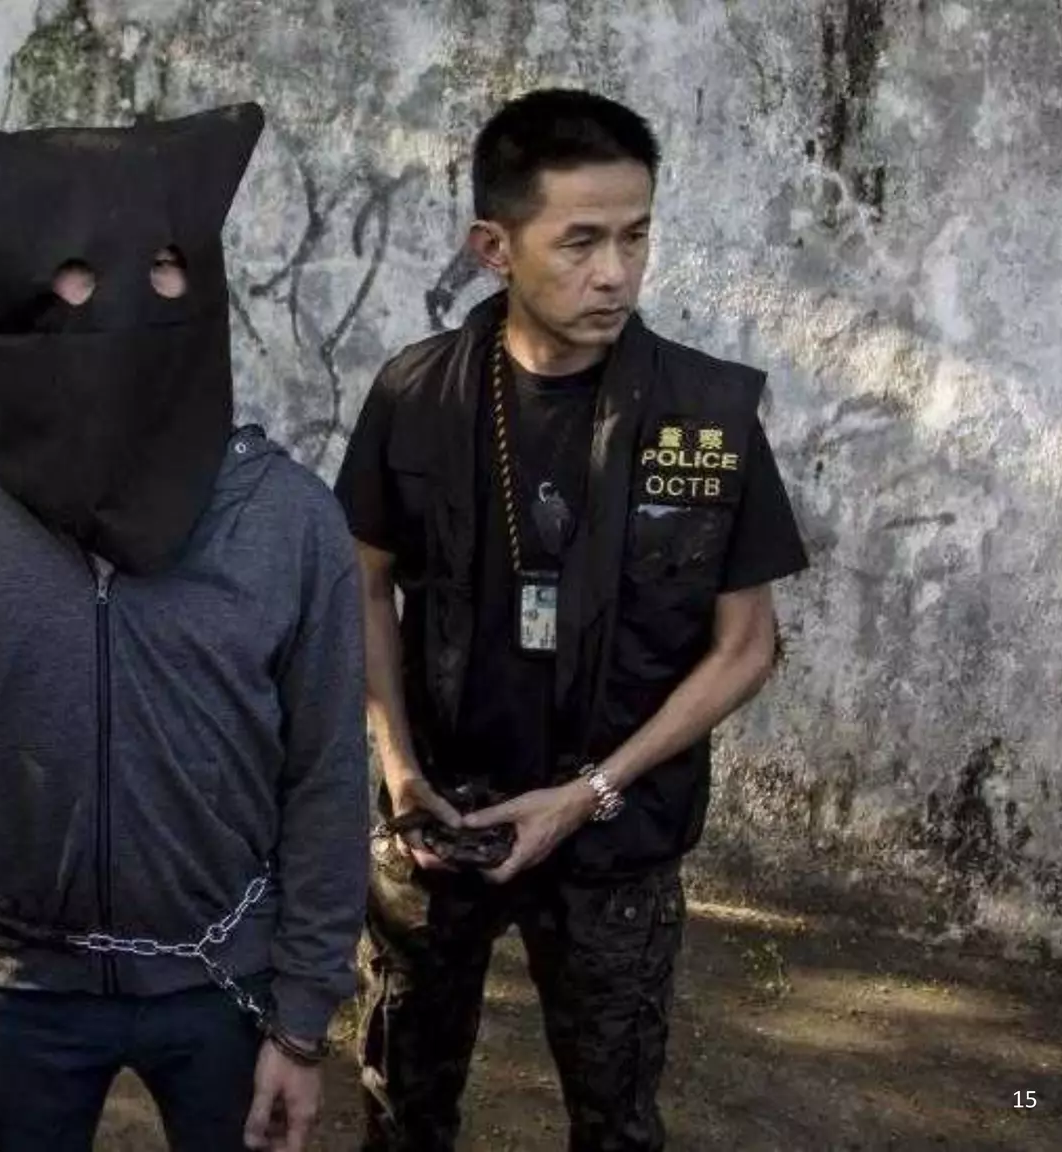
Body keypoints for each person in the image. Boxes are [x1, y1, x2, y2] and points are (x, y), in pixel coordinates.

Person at [0, 103, 369, 1152]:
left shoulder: (287, 521)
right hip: (15, 982)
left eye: (165, 261)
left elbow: (327, 775)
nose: (146, 295)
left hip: (221, 980)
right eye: (82, 265)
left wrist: (301, 1016)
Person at [336, 88, 809, 1151]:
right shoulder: (415, 395)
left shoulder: (707, 417)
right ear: (493, 246)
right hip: (436, 826)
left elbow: (746, 647)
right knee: (397, 1106)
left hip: (613, 832)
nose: (613, 273)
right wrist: (400, 771)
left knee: (614, 1117)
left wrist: (587, 791)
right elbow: (359, 583)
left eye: (634, 237)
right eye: (580, 241)